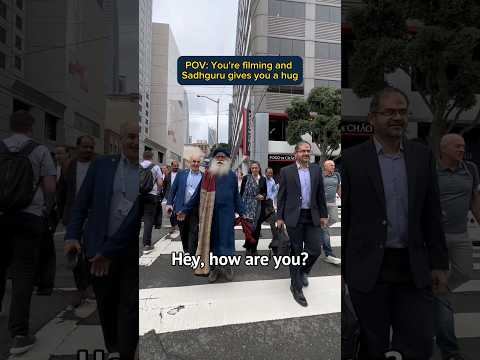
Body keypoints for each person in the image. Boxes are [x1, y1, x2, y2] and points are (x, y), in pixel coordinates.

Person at [341, 86, 449, 359]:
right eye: (389, 112)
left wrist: (439, 264)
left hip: (413, 268)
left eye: (402, 112)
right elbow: (348, 218)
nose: (397, 117)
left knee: (418, 342)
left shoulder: (421, 156)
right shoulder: (353, 160)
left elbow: (431, 213)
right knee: (372, 345)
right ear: (372, 118)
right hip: (368, 270)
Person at [64, 120, 140, 360]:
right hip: (98, 249)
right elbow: (80, 205)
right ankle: (114, 348)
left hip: (128, 251)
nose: (134, 142)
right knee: (106, 304)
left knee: (129, 306)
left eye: (139, 138)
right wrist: (72, 235)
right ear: (121, 139)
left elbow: (137, 217)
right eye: (130, 136)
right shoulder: (102, 166)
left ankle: (125, 353)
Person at [0, 110, 56, 355]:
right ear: (31, 127)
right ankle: (19, 334)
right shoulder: (40, 151)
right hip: (29, 217)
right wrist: (47, 208)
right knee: (23, 275)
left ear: (11, 126)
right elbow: (50, 186)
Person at [435, 133, 480, 360]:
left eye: (463, 146)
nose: (462, 149)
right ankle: (450, 351)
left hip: (460, 234)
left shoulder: (470, 169)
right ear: (443, 149)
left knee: (465, 272)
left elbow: (475, 200)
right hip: (437, 237)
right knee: (443, 294)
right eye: (457, 146)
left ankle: (434, 291)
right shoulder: (431, 171)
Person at [276, 141, 329, 307]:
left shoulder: (315, 169)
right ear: (296, 153)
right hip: (294, 217)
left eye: (308, 151)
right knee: (296, 251)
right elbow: (281, 196)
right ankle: (296, 286)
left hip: (312, 216)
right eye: (303, 151)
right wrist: (279, 217)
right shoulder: (286, 171)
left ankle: (303, 271)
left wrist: (323, 215)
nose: (307, 153)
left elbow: (320, 194)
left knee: (314, 249)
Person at [183, 148, 245, 282]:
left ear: (228, 160)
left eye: (223, 157)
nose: (221, 159)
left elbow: (236, 196)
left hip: (227, 216)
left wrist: (243, 212)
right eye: (218, 157)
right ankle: (215, 268)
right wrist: (185, 209)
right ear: (214, 159)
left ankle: (227, 266)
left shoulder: (232, 176)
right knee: (213, 241)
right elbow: (197, 194)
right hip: (211, 215)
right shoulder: (208, 174)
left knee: (227, 241)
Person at [57, 135, 96, 303]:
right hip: (73, 216)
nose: (88, 150)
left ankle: (89, 286)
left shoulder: (98, 165)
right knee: (74, 252)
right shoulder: (69, 166)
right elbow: (62, 192)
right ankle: (81, 288)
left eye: (90, 147)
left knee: (90, 252)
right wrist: (62, 215)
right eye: (85, 147)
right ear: (77, 147)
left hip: (93, 216)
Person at [166, 153, 203, 255]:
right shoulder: (181, 174)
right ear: (189, 163)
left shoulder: (203, 177)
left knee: (194, 231)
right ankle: (186, 249)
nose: (196, 164)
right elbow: (173, 190)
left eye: (198, 162)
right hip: (180, 208)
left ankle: (191, 254)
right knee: (183, 231)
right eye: (194, 162)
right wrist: (169, 203)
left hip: (194, 209)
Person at [240, 161, 267, 255]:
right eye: (253, 168)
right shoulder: (246, 178)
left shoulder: (263, 179)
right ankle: (248, 248)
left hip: (259, 207)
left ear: (259, 169)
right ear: (250, 169)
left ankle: (254, 249)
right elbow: (242, 193)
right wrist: (241, 207)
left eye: (256, 168)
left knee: (257, 229)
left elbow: (265, 192)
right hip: (247, 206)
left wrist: (263, 196)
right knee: (249, 229)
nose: (254, 169)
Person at [140, 150, 163, 254]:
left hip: (138, 196)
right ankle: (146, 244)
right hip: (151, 195)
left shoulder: (138, 166)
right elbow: (160, 183)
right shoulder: (156, 167)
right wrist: (157, 192)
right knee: (148, 220)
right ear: (152, 157)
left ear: (143, 157)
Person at [321, 160, 341, 265]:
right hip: (323, 205)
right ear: (325, 167)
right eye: (331, 165)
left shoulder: (337, 175)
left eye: (334, 165)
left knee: (334, 219)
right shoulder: (321, 176)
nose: (333, 166)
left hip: (332, 203)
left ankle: (321, 228)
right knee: (325, 231)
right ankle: (329, 254)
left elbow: (338, 188)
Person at [163, 160, 180, 234]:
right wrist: (165, 195)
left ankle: (178, 224)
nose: (176, 167)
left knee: (177, 210)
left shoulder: (181, 174)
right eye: (175, 166)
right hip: (170, 195)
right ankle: (173, 226)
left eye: (177, 166)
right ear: (172, 166)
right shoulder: (167, 175)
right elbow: (165, 186)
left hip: (179, 195)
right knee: (170, 211)